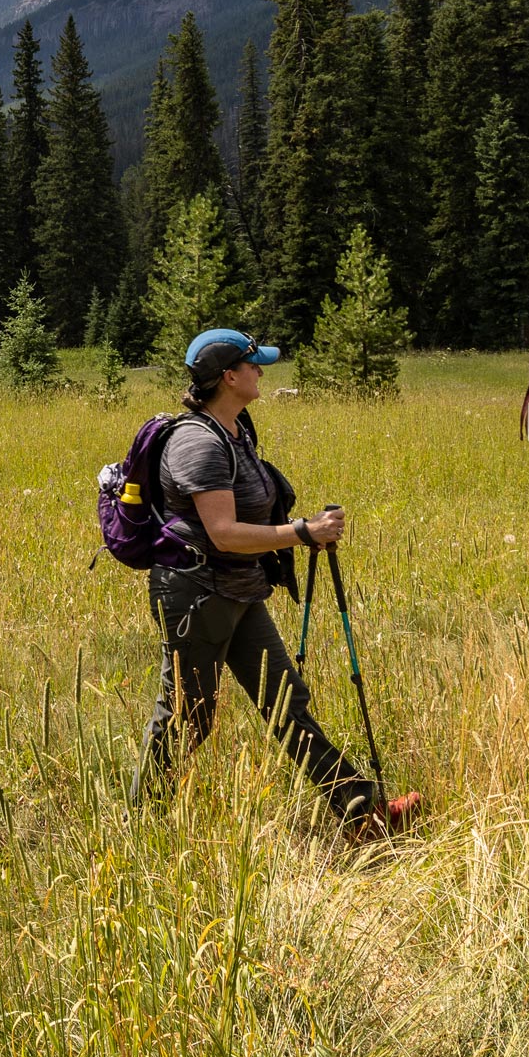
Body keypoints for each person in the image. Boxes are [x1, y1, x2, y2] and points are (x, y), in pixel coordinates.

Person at [139, 329, 419, 839]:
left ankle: (361, 812)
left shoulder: (236, 430)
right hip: (196, 595)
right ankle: (142, 822)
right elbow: (223, 534)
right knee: (188, 715)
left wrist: (299, 531)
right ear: (229, 376)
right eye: (253, 364)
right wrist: (300, 532)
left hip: (239, 590)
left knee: (287, 702)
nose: (261, 371)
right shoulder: (198, 442)